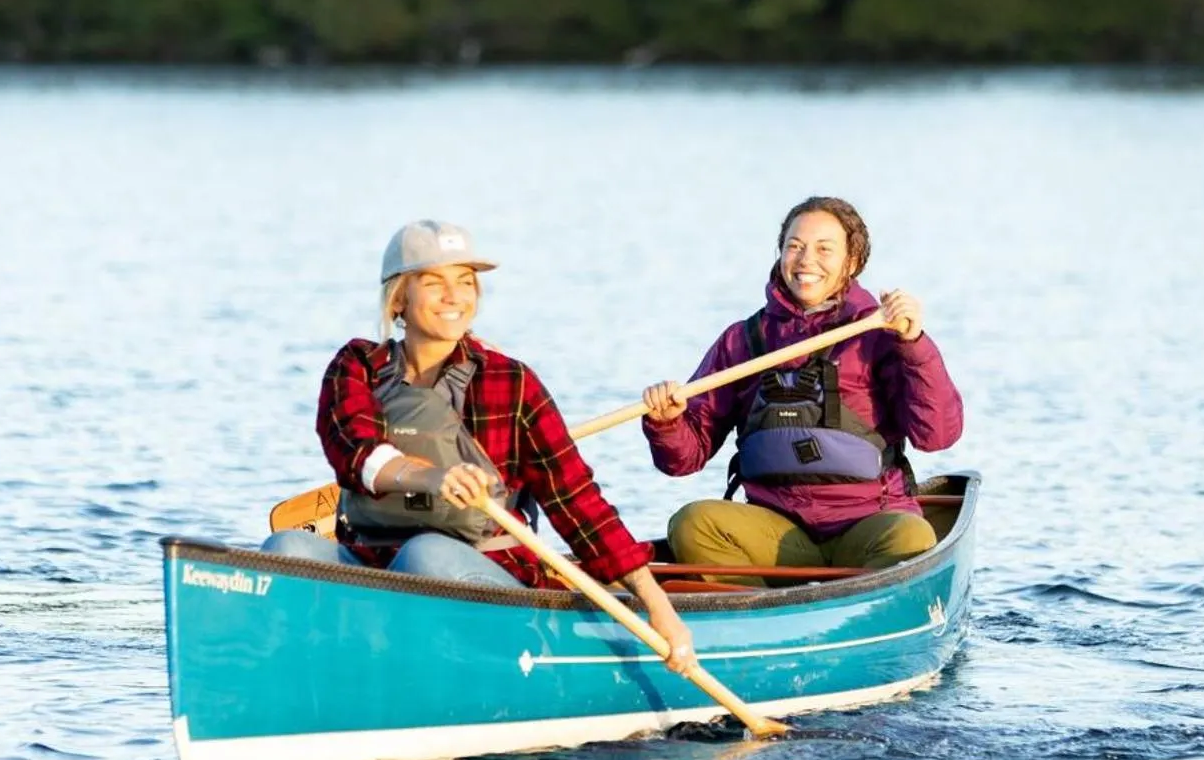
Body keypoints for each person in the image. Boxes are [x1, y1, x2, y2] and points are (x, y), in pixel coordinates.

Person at [261, 220, 696, 673]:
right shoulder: (357, 367)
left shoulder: (512, 382)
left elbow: (577, 501)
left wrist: (657, 605)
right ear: (398, 300)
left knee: (425, 552)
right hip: (373, 561)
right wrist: (433, 477)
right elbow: (357, 453)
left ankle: (430, 672)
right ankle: (302, 674)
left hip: (490, 578)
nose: (455, 297)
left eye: (465, 283)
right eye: (434, 283)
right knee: (287, 549)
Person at [641, 196, 963, 585]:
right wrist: (666, 423)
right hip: (777, 533)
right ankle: (754, 613)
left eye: (824, 249)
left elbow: (938, 435)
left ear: (852, 262)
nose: (806, 260)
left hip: (867, 525)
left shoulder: (880, 336)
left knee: (912, 536)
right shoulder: (742, 341)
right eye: (794, 247)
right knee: (692, 523)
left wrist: (914, 343)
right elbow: (684, 460)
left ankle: (858, 605)